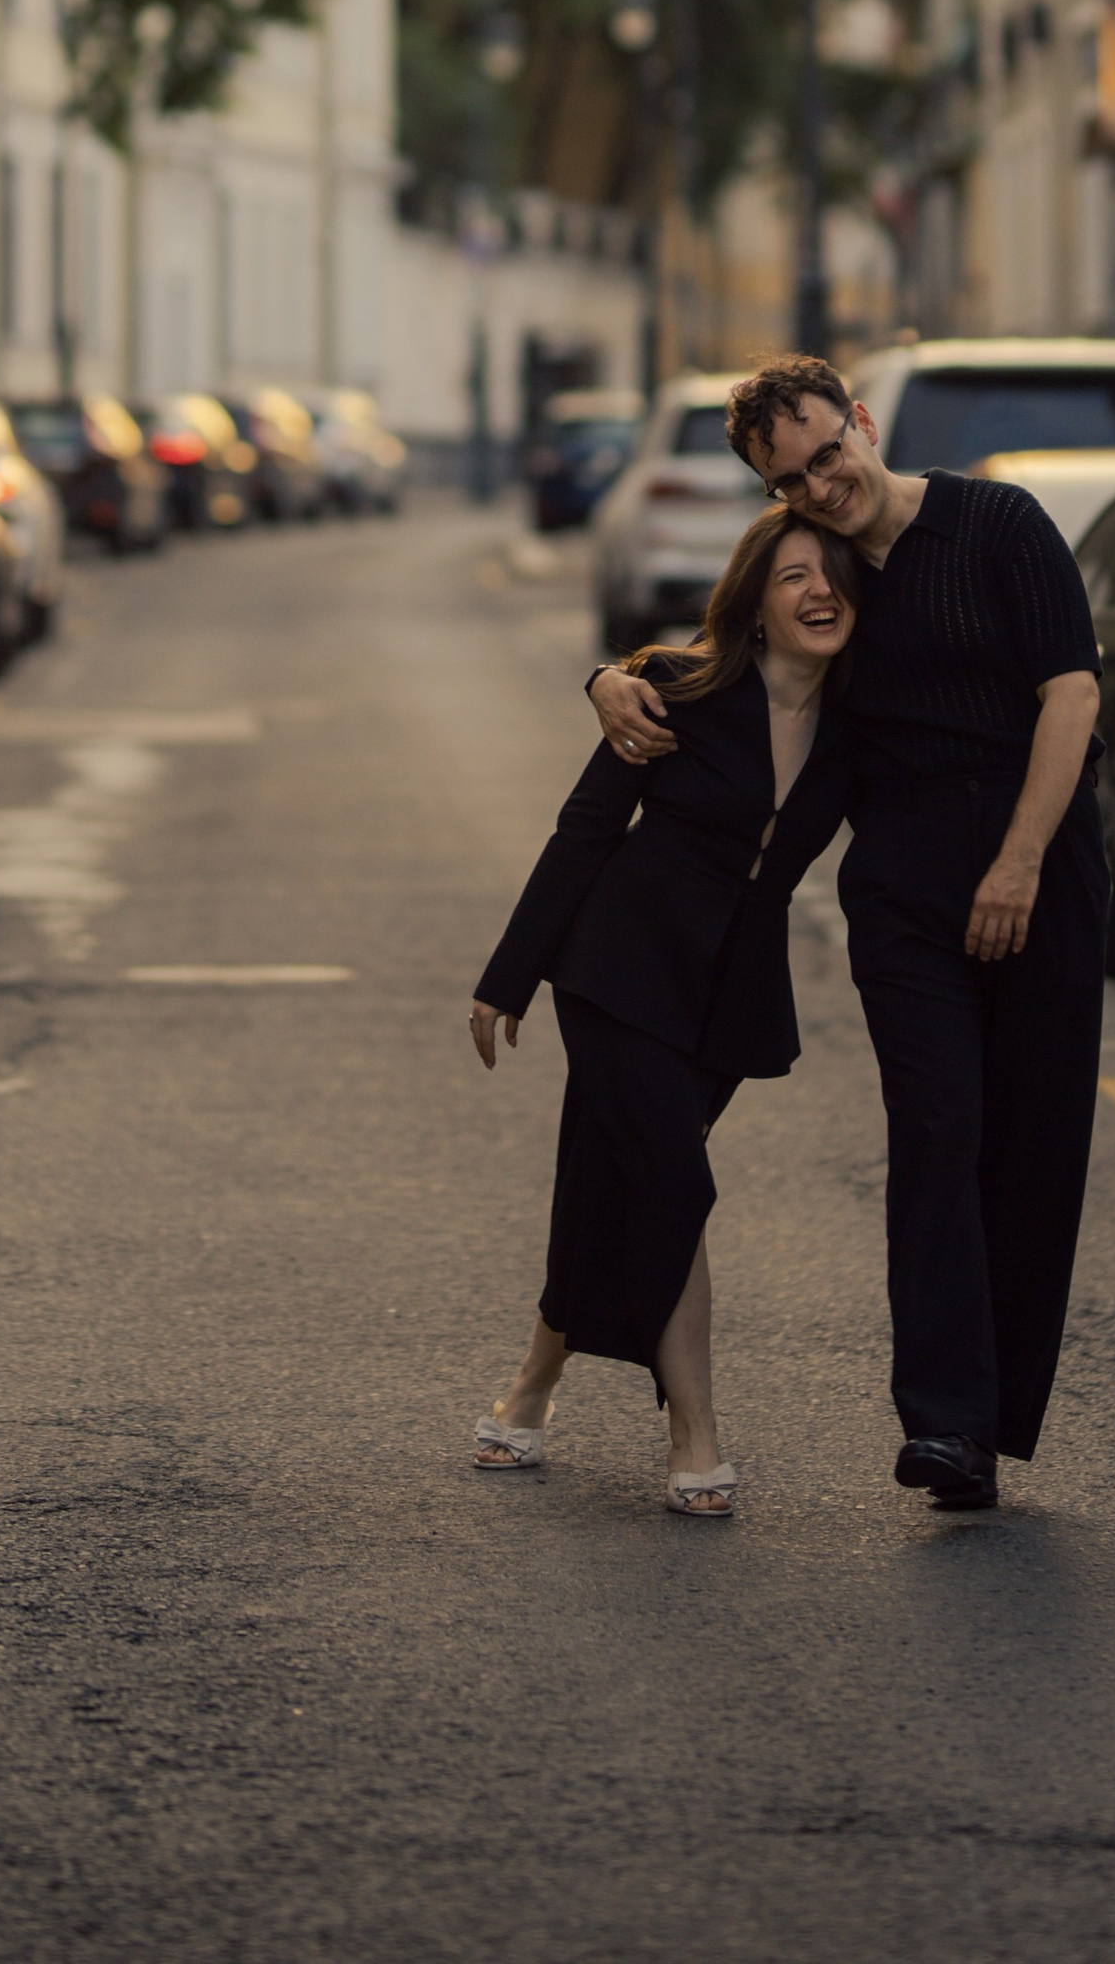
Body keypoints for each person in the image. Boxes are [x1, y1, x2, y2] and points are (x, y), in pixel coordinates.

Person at [589, 357, 1105, 1515]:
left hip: (1043, 863)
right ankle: (946, 1427)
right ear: (773, 493)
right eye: (793, 477)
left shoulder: (999, 523)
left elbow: (1069, 695)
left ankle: (995, 1415)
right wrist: (603, 680)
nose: (823, 484)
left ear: (862, 424)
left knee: (1029, 1148)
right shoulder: (828, 584)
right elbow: (725, 656)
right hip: (906, 893)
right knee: (934, 1130)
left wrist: (1018, 863)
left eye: (829, 451)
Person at [467, 506, 862, 1519]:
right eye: (793, 578)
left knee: (623, 1183)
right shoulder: (680, 692)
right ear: (756, 606)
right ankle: (695, 1437)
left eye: (834, 577)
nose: (819, 592)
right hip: (618, 968)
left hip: (727, 995)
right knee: (675, 1182)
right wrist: (509, 977)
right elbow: (588, 826)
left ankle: (530, 1386)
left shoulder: (863, 725)